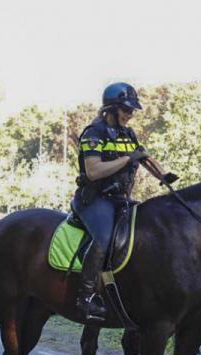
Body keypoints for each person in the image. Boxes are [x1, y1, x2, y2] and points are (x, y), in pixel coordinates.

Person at [72, 82, 174, 322]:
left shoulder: (128, 133)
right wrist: (128, 159)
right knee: (104, 238)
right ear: (111, 108)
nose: (130, 115)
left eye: (132, 111)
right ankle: (85, 299)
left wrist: (163, 175)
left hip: (121, 199)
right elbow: (94, 171)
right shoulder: (93, 133)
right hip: (94, 200)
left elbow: (144, 157)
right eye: (126, 110)